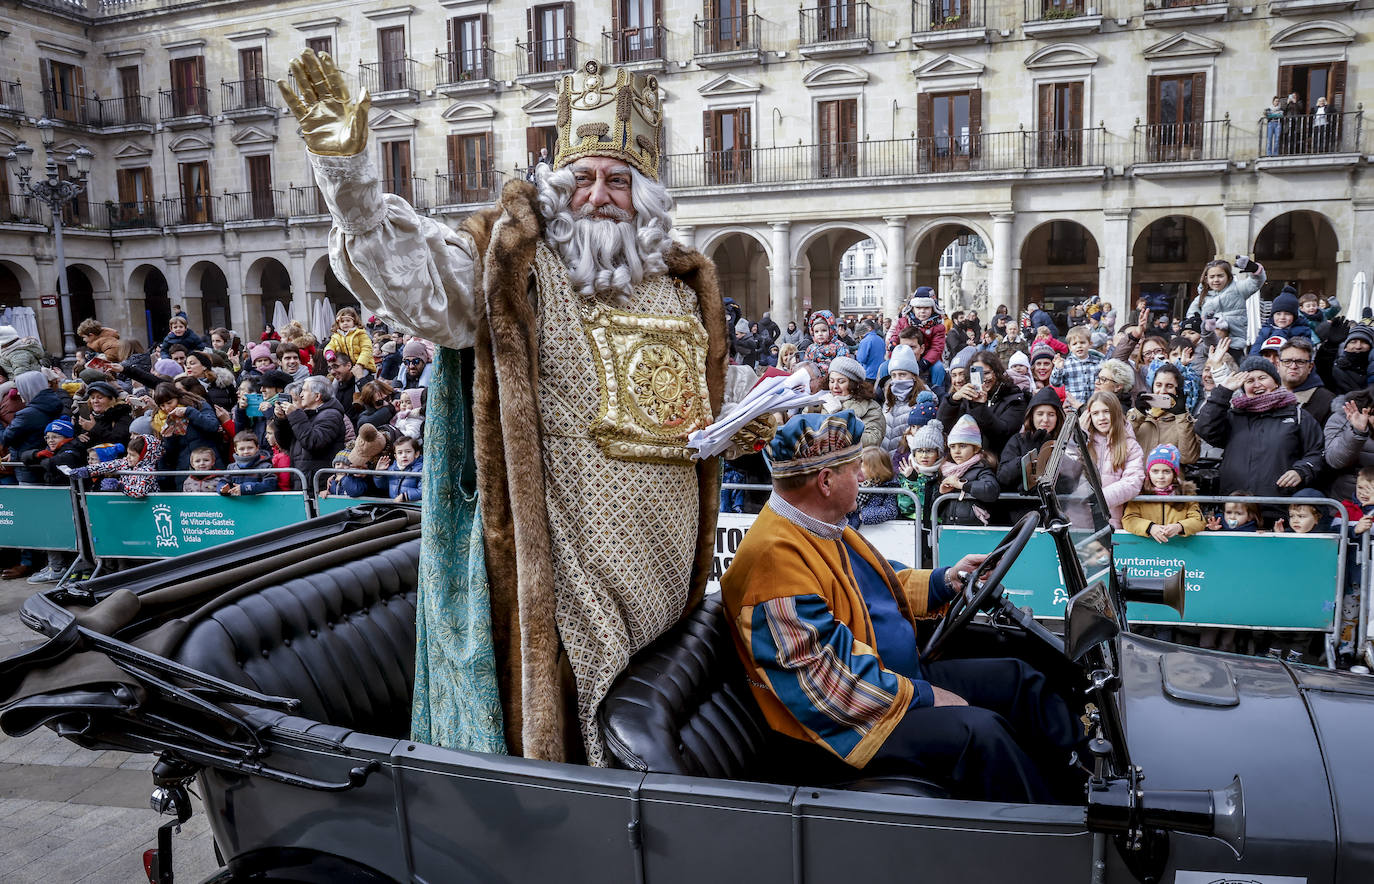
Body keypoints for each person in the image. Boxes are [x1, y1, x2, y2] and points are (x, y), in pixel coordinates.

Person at [279, 50, 730, 763]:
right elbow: (421, 283)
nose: (600, 194)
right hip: (571, 567)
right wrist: (351, 181)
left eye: (620, 179)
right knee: (589, 731)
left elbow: (686, 408)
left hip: (668, 560)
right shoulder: (513, 263)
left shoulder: (678, 283)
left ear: (646, 192)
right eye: (583, 178)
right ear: (557, 184)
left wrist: (741, 422)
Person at [720, 410, 1078, 804]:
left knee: (1019, 680)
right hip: (842, 727)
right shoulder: (774, 559)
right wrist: (923, 696)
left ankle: (1080, 781)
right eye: (855, 469)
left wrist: (946, 580)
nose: (862, 477)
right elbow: (825, 686)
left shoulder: (819, 527)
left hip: (890, 679)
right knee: (983, 734)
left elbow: (881, 583)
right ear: (825, 481)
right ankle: (1055, 839)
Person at [1195, 356, 1325, 497]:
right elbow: (1205, 428)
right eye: (1250, 381)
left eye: (1262, 378)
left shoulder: (1298, 416)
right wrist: (1224, 392)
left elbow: (1317, 453)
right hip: (1237, 508)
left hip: (1279, 505)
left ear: (1276, 382)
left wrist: (1301, 471)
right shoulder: (1233, 416)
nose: (1257, 385)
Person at [936, 352, 1029, 459]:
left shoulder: (1014, 399)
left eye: (987, 373)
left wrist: (979, 407)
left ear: (997, 372)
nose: (983, 379)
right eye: (978, 374)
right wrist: (953, 400)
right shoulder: (967, 398)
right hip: (965, 462)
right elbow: (942, 425)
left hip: (996, 462)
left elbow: (1001, 434)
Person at [1080, 391, 1145, 529]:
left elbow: (1133, 482)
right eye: (1095, 413)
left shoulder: (1130, 445)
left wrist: (1099, 499)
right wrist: (1080, 436)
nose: (1101, 418)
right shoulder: (1083, 443)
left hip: (1112, 522)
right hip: (1081, 520)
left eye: (1106, 411)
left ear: (1115, 412)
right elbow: (1068, 471)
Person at [271, 375, 348, 486]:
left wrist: (295, 415)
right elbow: (285, 443)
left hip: (320, 485)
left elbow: (314, 442)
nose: (301, 394)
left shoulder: (331, 415)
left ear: (317, 396)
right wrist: (281, 420)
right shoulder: (306, 414)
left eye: (304, 391)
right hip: (303, 480)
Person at [1122, 444, 1204, 543]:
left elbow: (1199, 520)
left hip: (1179, 549)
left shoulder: (1185, 494)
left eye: (1166, 471)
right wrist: (1150, 527)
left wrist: (1179, 527)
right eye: (1155, 471)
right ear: (1148, 473)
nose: (1160, 476)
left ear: (1174, 473)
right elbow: (1128, 520)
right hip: (1147, 551)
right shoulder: (1140, 494)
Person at [1126, 363, 1200, 465]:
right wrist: (1137, 414)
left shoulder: (1186, 421)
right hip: (1137, 479)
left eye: (1169, 386)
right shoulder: (1138, 415)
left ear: (1178, 390)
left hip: (1169, 480)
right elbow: (1120, 447)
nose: (1162, 391)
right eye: (1158, 385)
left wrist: (1181, 416)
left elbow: (1188, 458)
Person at [1185, 258, 1265, 352]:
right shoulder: (1202, 297)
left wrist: (1254, 268)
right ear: (1206, 279)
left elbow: (1256, 282)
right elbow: (1191, 318)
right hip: (1209, 346)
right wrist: (1206, 325)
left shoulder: (1238, 289)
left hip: (1234, 344)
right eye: (1212, 277)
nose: (1216, 280)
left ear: (1228, 276)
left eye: (1220, 276)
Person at [997, 386, 1063, 493]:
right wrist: (1026, 458)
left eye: (1051, 414)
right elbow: (1003, 477)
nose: (1045, 420)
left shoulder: (1064, 442)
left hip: (1056, 506)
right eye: (1040, 414)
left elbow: (1071, 481)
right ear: (1032, 416)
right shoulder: (1018, 440)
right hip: (1021, 506)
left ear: (1057, 417)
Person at [938, 415, 1000, 526]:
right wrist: (941, 492)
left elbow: (991, 489)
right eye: (952, 446)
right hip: (949, 529)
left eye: (962, 446)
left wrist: (962, 485)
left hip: (974, 532)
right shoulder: (947, 470)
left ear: (976, 448)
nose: (956, 451)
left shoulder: (981, 468)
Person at [824, 356, 883, 448]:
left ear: (853, 384)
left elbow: (873, 439)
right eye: (831, 381)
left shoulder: (871, 407)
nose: (835, 386)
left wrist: (839, 416)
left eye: (841, 381)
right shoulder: (820, 402)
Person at [880, 349, 931, 453]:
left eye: (902, 374)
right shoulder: (889, 398)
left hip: (905, 462)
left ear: (913, 375)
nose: (897, 379)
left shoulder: (923, 401)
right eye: (894, 375)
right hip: (885, 461)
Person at [1049, 326, 1103, 406]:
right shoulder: (1066, 364)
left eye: (1082, 342)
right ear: (1070, 347)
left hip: (1094, 405)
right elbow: (1055, 383)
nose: (1079, 346)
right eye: (1074, 344)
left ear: (1090, 344)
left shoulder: (1098, 362)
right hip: (1073, 407)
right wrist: (1058, 369)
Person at [847, 445, 899, 527]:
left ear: (875, 469)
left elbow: (891, 511)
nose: (857, 469)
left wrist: (861, 516)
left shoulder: (888, 486)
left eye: (861, 466)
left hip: (868, 530)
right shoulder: (852, 481)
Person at [217, 431, 279, 496]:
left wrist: (246, 488)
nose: (246, 451)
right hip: (237, 504)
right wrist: (222, 489)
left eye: (250, 448)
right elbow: (223, 481)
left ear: (257, 448)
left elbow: (271, 484)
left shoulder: (265, 466)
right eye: (241, 449)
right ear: (236, 450)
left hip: (259, 504)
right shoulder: (231, 467)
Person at [325, 306, 377, 373]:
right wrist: (329, 352)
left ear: (354, 321)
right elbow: (330, 346)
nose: (345, 323)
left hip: (363, 365)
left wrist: (360, 364)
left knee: (359, 378)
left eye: (348, 320)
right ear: (338, 323)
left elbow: (366, 350)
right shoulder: (336, 336)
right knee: (335, 381)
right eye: (342, 321)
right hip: (345, 367)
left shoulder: (360, 334)